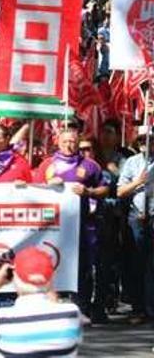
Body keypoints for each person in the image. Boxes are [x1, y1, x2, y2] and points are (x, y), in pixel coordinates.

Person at [34, 128, 109, 323]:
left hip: (81, 226)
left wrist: (89, 191)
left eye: (73, 142)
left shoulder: (90, 165)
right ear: (58, 142)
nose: (69, 145)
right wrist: (48, 185)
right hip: (52, 226)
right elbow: (34, 190)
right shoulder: (47, 165)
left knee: (82, 267)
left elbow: (105, 189)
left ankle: (81, 306)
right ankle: (50, 306)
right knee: (52, 265)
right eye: (65, 141)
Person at [0, 247, 82, 357]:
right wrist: (46, 283)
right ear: (51, 278)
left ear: (15, 276)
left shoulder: (0, 319)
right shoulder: (72, 314)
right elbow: (52, 301)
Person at [116, 127, 154, 322]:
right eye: (141, 141)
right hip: (137, 218)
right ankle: (138, 308)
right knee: (137, 264)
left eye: (149, 140)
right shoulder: (131, 163)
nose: (145, 144)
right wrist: (138, 182)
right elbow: (120, 191)